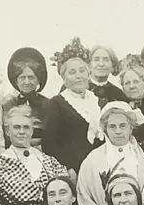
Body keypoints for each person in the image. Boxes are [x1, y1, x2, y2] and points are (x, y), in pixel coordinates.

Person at [76, 101, 144, 205]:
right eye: (112, 127)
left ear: (131, 128)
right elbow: (84, 198)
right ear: (105, 130)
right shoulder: (92, 161)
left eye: (123, 126)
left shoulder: (143, 161)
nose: (118, 131)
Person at [0, 103, 68, 205]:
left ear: (32, 130)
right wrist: (53, 190)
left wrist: (50, 190)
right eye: (17, 127)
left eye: (26, 127)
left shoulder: (46, 158)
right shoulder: (2, 161)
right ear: (8, 131)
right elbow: (23, 194)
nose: (22, 132)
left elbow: (65, 183)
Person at [43, 38, 104, 172]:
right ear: (64, 79)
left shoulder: (98, 101)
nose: (78, 76)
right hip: (73, 169)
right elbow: (49, 144)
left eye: (82, 71)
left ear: (88, 74)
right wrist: (68, 169)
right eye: (72, 72)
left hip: (101, 167)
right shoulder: (56, 103)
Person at [5, 46, 51, 147]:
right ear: (16, 81)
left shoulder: (50, 105)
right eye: (22, 78)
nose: (27, 82)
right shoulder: (7, 106)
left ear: (38, 80)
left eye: (31, 77)